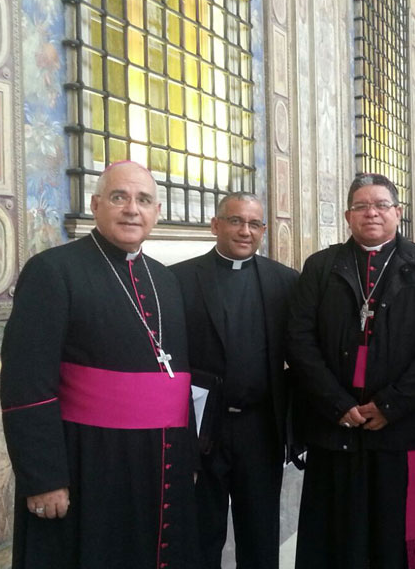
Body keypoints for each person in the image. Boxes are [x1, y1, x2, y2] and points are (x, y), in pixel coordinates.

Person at [0, 160, 198, 568]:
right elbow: (27, 385)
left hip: (159, 461)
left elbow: (177, 381)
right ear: (95, 204)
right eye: (119, 197)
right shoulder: (52, 271)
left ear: (157, 211)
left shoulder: (165, 280)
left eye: (144, 200)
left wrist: (186, 459)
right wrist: (45, 478)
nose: (132, 209)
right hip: (89, 461)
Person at [287, 173, 415, 569]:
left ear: (398, 213)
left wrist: (392, 404)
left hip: (404, 424)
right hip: (337, 426)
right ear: (348, 215)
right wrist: (335, 402)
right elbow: (299, 339)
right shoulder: (320, 266)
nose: (372, 213)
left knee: (399, 533)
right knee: (338, 532)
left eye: (381, 205)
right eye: (362, 206)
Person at [170, 193, 299, 569]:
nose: (246, 231)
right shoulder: (179, 279)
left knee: (260, 531)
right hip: (203, 428)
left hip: (260, 428)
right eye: (235, 221)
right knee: (200, 529)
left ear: (263, 230)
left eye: (254, 224)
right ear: (215, 225)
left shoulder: (286, 282)